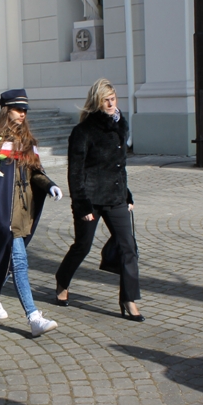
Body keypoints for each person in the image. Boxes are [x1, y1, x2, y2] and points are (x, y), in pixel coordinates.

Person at [55, 78, 143, 321]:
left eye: (113, 98)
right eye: (105, 100)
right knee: (82, 246)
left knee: (129, 247)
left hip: (115, 197)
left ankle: (129, 299)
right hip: (90, 199)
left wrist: (127, 195)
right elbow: (75, 171)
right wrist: (81, 204)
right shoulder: (83, 131)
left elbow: (119, 166)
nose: (110, 103)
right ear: (96, 101)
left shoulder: (120, 126)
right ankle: (62, 281)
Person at [0, 90, 61, 337]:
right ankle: (34, 317)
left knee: (8, 262)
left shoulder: (28, 143)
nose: (22, 114)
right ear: (6, 110)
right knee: (20, 262)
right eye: (17, 109)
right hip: (3, 213)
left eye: (24, 110)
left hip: (24, 212)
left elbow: (37, 172)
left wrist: (50, 185)